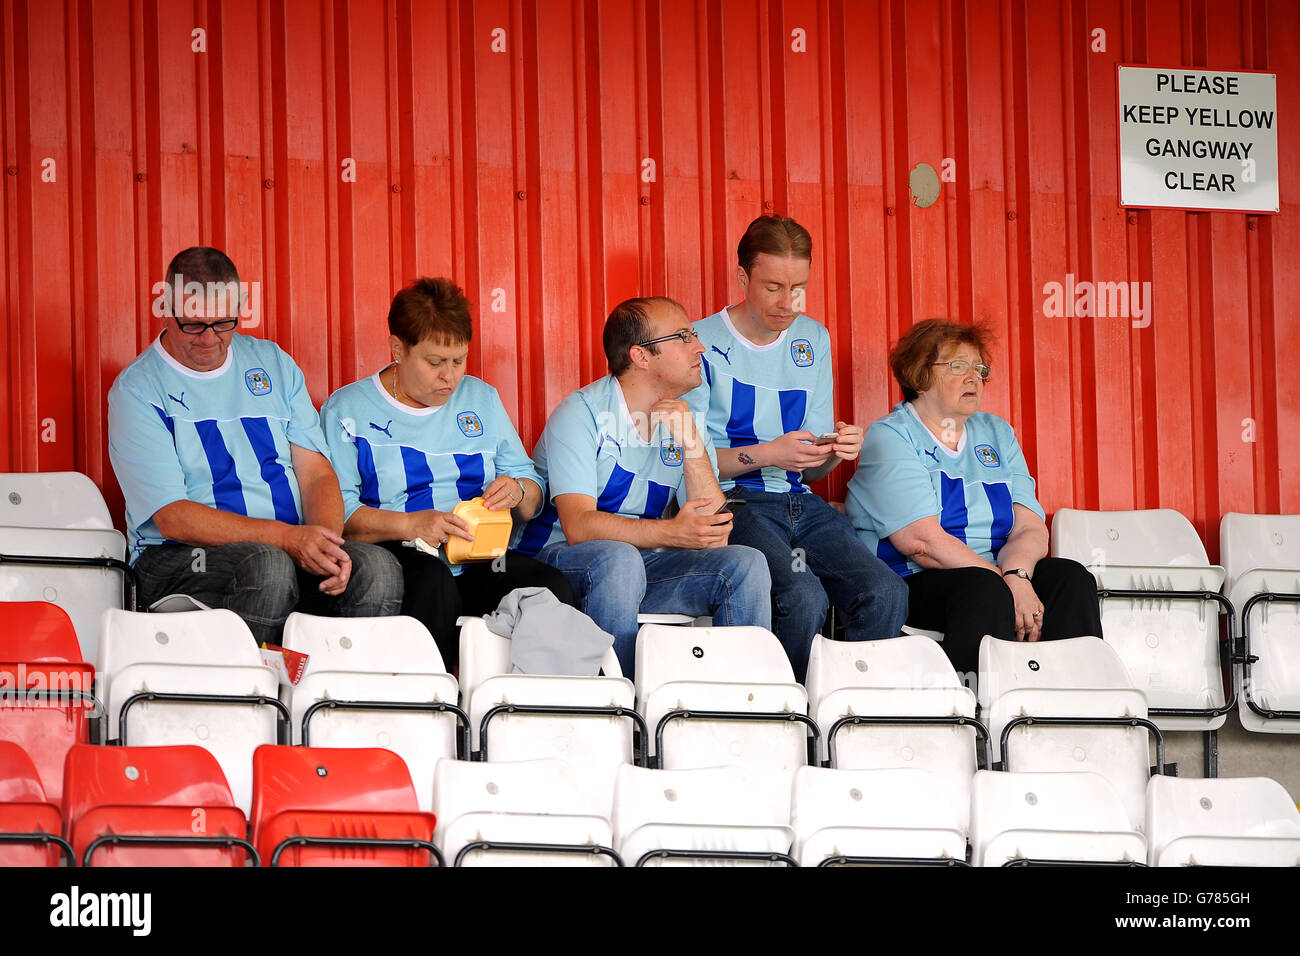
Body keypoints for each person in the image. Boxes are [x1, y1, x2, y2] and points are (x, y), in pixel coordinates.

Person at [107, 246, 402, 644]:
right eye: (193, 324)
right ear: (166, 307)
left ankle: (339, 699)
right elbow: (173, 517)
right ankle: (247, 698)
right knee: (268, 565)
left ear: (240, 307)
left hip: (285, 545)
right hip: (176, 557)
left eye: (224, 322)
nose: (209, 338)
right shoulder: (137, 389)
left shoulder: (274, 363)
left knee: (378, 568)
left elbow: (316, 474)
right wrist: (288, 539)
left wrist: (324, 543)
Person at [687, 214, 908, 681]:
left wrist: (834, 448)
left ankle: (849, 714)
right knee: (802, 594)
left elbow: (808, 472)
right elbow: (686, 465)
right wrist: (769, 454)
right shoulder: (699, 342)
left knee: (885, 591)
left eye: (798, 287)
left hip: (799, 503)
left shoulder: (813, 338)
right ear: (743, 277)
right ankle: (784, 715)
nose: (788, 302)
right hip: (734, 503)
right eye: (772, 287)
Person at [319, 277, 577, 671]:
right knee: (433, 581)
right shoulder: (348, 408)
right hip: (402, 555)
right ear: (397, 349)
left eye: (459, 360)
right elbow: (341, 516)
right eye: (435, 362)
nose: (450, 377)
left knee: (550, 587)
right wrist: (411, 525)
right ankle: (434, 703)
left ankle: (529, 708)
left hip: (480, 558)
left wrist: (518, 492)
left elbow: (532, 486)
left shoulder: (482, 398)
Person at [515, 296, 772, 678]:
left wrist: (693, 447)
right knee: (619, 559)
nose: (699, 346)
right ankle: (621, 707)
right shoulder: (582, 413)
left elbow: (715, 532)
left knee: (746, 564)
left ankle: (742, 702)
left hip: (641, 565)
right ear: (641, 356)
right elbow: (578, 527)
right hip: (558, 563)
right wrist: (670, 532)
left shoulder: (687, 416)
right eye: (684, 337)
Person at [846, 318, 1103, 681]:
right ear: (920, 375)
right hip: (918, 581)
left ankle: (1070, 708)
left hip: (996, 577)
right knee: (984, 590)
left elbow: (1029, 527)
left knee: (1070, 578)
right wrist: (1006, 583)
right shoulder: (890, 435)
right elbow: (922, 543)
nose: (974, 377)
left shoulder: (996, 432)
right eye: (958, 366)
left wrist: (1018, 576)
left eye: (979, 368)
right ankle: (971, 716)